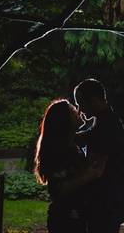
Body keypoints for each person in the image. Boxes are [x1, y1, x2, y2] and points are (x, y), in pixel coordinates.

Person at [34, 99, 105, 233]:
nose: (78, 111)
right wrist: (88, 176)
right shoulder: (57, 151)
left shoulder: (73, 143)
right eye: (73, 111)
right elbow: (58, 189)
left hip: (77, 216)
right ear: (63, 121)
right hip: (65, 219)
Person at [73, 79, 124, 233]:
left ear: (92, 100)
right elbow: (86, 136)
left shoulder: (106, 127)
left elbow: (96, 168)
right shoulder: (104, 121)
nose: (79, 109)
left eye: (80, 103)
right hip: (110, 201)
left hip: (106, 203)